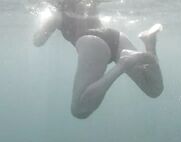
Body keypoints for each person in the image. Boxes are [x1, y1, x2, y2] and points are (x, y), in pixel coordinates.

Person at [33, 0, 164, 119]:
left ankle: (123, 64)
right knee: (154, 89)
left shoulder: (57, 13)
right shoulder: (86, 3)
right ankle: (149, 42)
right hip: (115, 36)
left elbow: (38, 41)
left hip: (92, 42)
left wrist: (45, 21)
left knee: (78, 109)